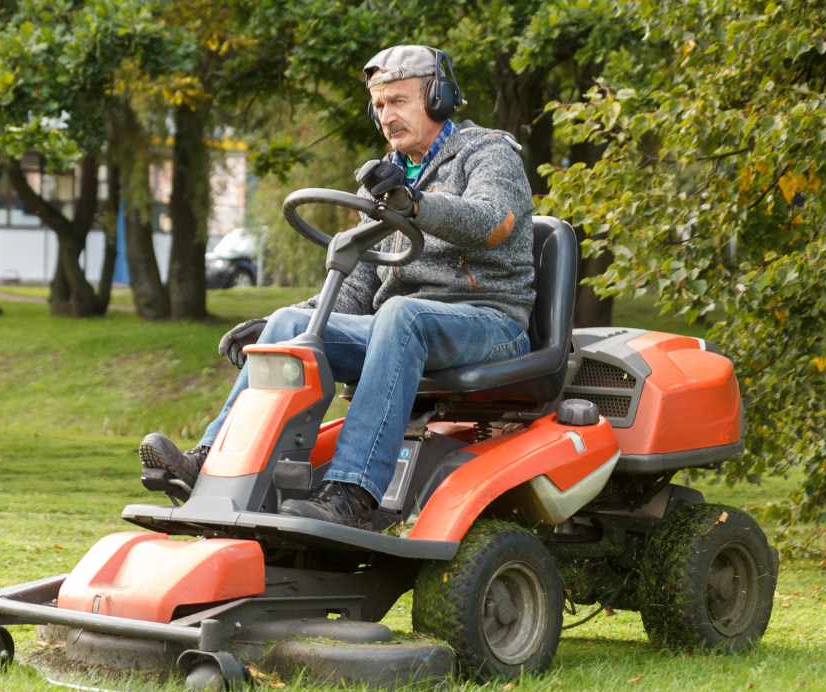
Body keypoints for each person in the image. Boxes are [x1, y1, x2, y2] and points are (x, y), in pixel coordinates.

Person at [140, 44, 535, 530]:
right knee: (290, 324)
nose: (387, 116)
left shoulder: (487, 151)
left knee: (400, 316)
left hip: (490, 321)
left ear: (438, 98)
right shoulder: (388, 176)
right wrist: (275, 330)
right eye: (380, 104)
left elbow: (494, 222)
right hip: (405, 326)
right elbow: (360, 282)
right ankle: (210, 463)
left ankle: (352, 492)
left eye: (399, 101)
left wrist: (413, 205)